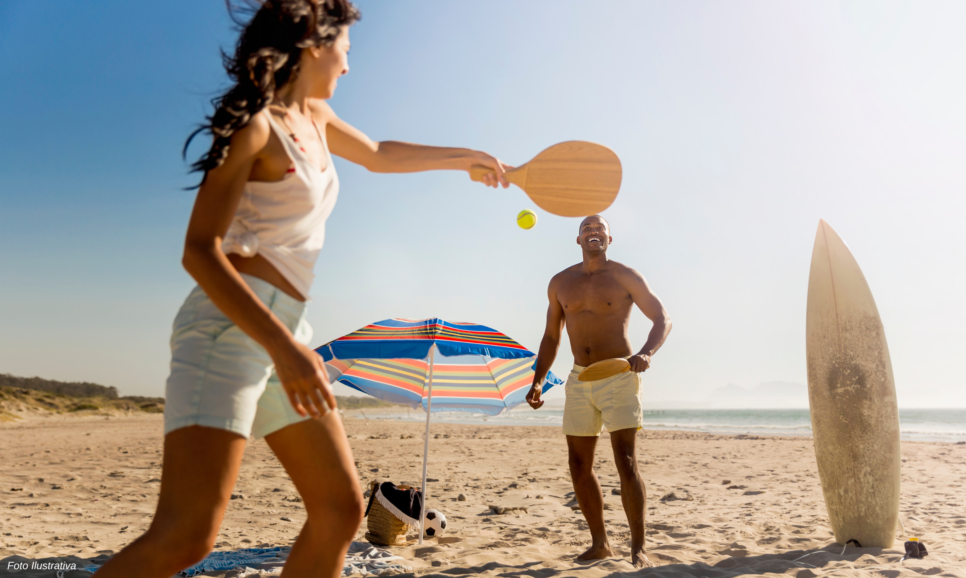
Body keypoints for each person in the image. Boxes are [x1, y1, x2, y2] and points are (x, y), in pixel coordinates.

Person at [93, 2, 510, 577]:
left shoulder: (314, 117)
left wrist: (465, 158)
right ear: (315, 42)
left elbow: (380, 155)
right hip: (228, 331)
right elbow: (199, 250)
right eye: (346, 51)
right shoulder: (256, 125)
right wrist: (286, 351)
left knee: (338, 511)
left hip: (285, 332)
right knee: (187, 535)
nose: (348, 67)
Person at [525, 215, 672, 569]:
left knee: (626, 461)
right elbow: (551, 336)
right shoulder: (560, 282)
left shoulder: (625, 276)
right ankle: (600, 543)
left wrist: (646, 354)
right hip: (579, 379)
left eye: (599, 229)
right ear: (578, 240)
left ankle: (638, 548)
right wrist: (538, 379)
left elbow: (662, 318)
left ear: (609, 238)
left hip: (620, 374)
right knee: (578, 465)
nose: (593, 233)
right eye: (587, 229)